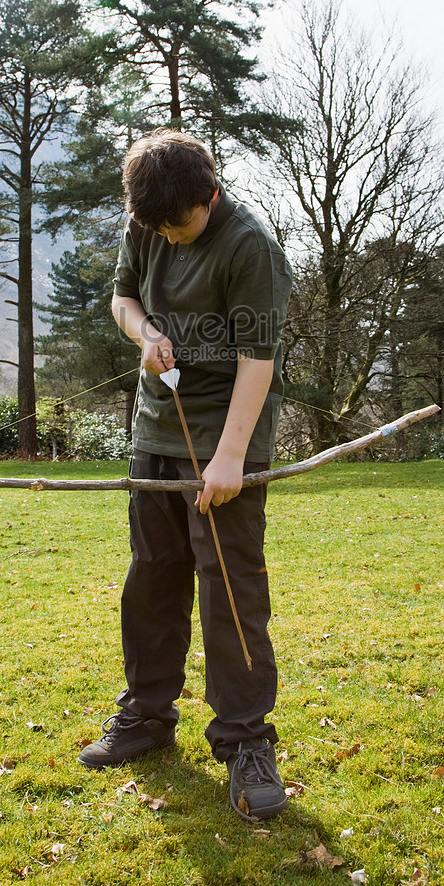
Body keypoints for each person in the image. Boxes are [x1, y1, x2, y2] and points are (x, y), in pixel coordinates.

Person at [78, 129, 293, 821]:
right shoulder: (148, 222)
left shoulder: (249, 246)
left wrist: (231, 457)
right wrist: (145, 335)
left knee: (230, 589)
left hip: (226, 435)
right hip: (155, 433)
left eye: (179, 225)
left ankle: (245, 740)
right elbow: (123, 300)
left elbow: (259, 361)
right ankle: (145, 715)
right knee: (153, 578)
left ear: (209, 194)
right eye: (156, 228)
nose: (167, 238)